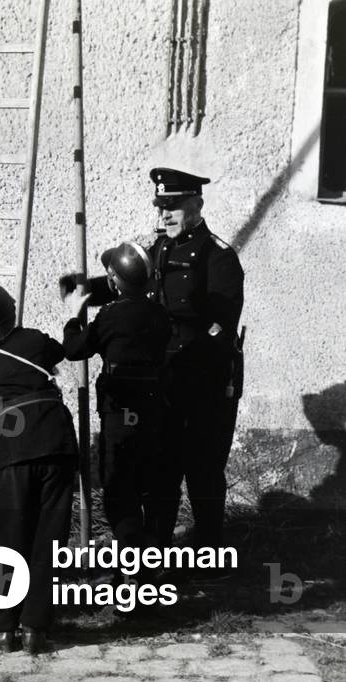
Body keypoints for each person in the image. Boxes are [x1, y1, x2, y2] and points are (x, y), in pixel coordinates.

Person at [0, 280, 78, 654]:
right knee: (49, 539)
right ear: (10, 314)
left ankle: (2, 627)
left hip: (10, 451)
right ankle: (36, 629)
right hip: (56, 443)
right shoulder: (33, 340)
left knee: (5, 540)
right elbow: (63, 351)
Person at [145, 168, 245, 549]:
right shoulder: (160, 249)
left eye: (173, 208)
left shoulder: (217, 257)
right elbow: (131, 284)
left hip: (205, 380)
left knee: (202, 470)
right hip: (166, 379)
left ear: (197, 206)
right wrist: (85, 289)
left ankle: (210, 553)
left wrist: (188, 364)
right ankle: (155, 549)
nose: (165, 216)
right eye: (161, 208)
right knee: (163, 468)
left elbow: (220, 327)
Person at [62, 242, 170, 561]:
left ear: (113, 280)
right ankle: (145, 567)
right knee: (147, 488)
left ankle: (129, 570)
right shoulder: (160, 315)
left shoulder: (110, 316)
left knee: (120, 494)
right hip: (152, 415)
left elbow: (74, 349)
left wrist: (73, 317)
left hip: (118, 416)